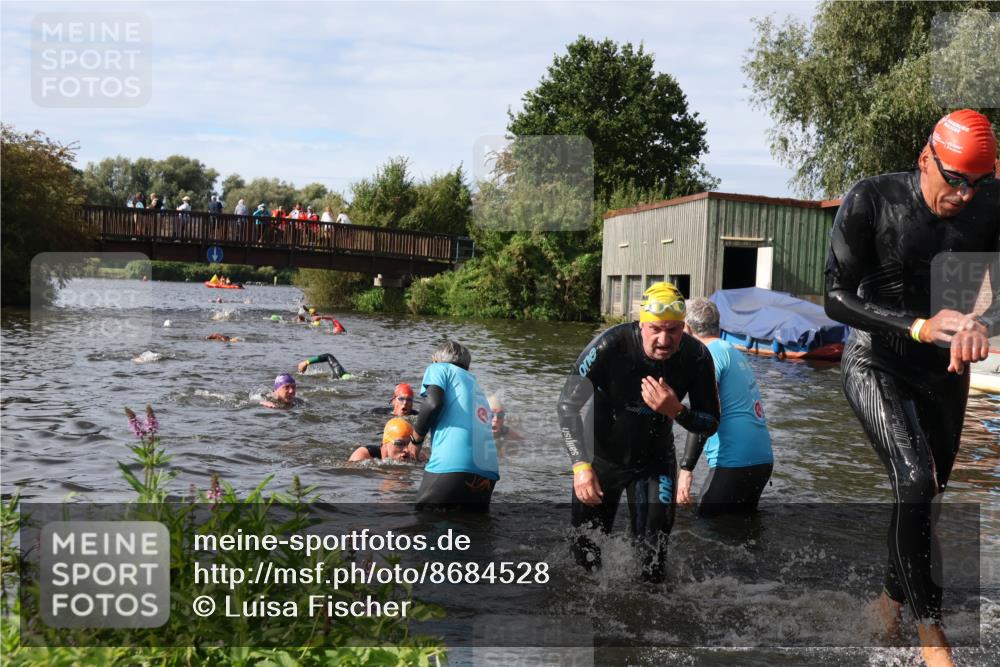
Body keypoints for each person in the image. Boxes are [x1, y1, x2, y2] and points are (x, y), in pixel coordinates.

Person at [824, 109, 998, 667]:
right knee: (915, 477)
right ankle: (933, 641)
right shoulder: (871, 199)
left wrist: (982, 326)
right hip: (874, 358)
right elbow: (835, 296)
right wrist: (917, 326)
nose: (966, 196)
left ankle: (890, 603)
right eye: (955, 180)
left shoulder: (990, 205)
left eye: (980, 181)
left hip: (944, 367)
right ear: (927, 158)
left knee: (927, 499)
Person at [556, 281, 720, 583]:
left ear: (684, 327)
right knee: (584, 563)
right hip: (601, 461)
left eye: (673, 330)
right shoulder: (610, 346)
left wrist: (676, 411)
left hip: (654, 464)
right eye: (655, 328)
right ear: (640, 324)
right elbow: (567, 406)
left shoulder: (696, 357)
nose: (664, 339)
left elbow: (710, 422)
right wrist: (580, 467)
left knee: (653, 561)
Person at [676, 298, 773, 516]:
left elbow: (704, 412)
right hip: (762, 459)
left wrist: (686, 469)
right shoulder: (734, 351)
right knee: (740, 531)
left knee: (706, 530)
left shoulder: (707, 354)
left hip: (735, 461)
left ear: (686, 329)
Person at [410, 341, 499, 510]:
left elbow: (432, 403)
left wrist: (416, 441)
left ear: (436, 360)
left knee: (424, 524)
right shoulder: (475, 385)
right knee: (471, 531)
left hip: (453, 465)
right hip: (487, 471)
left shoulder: (438, 368)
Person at [349, 418, 415, 462]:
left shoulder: (415, 454)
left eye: (409, 444)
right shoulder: (364, 454)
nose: (407, 450)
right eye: (400, 444)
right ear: (385, 444)